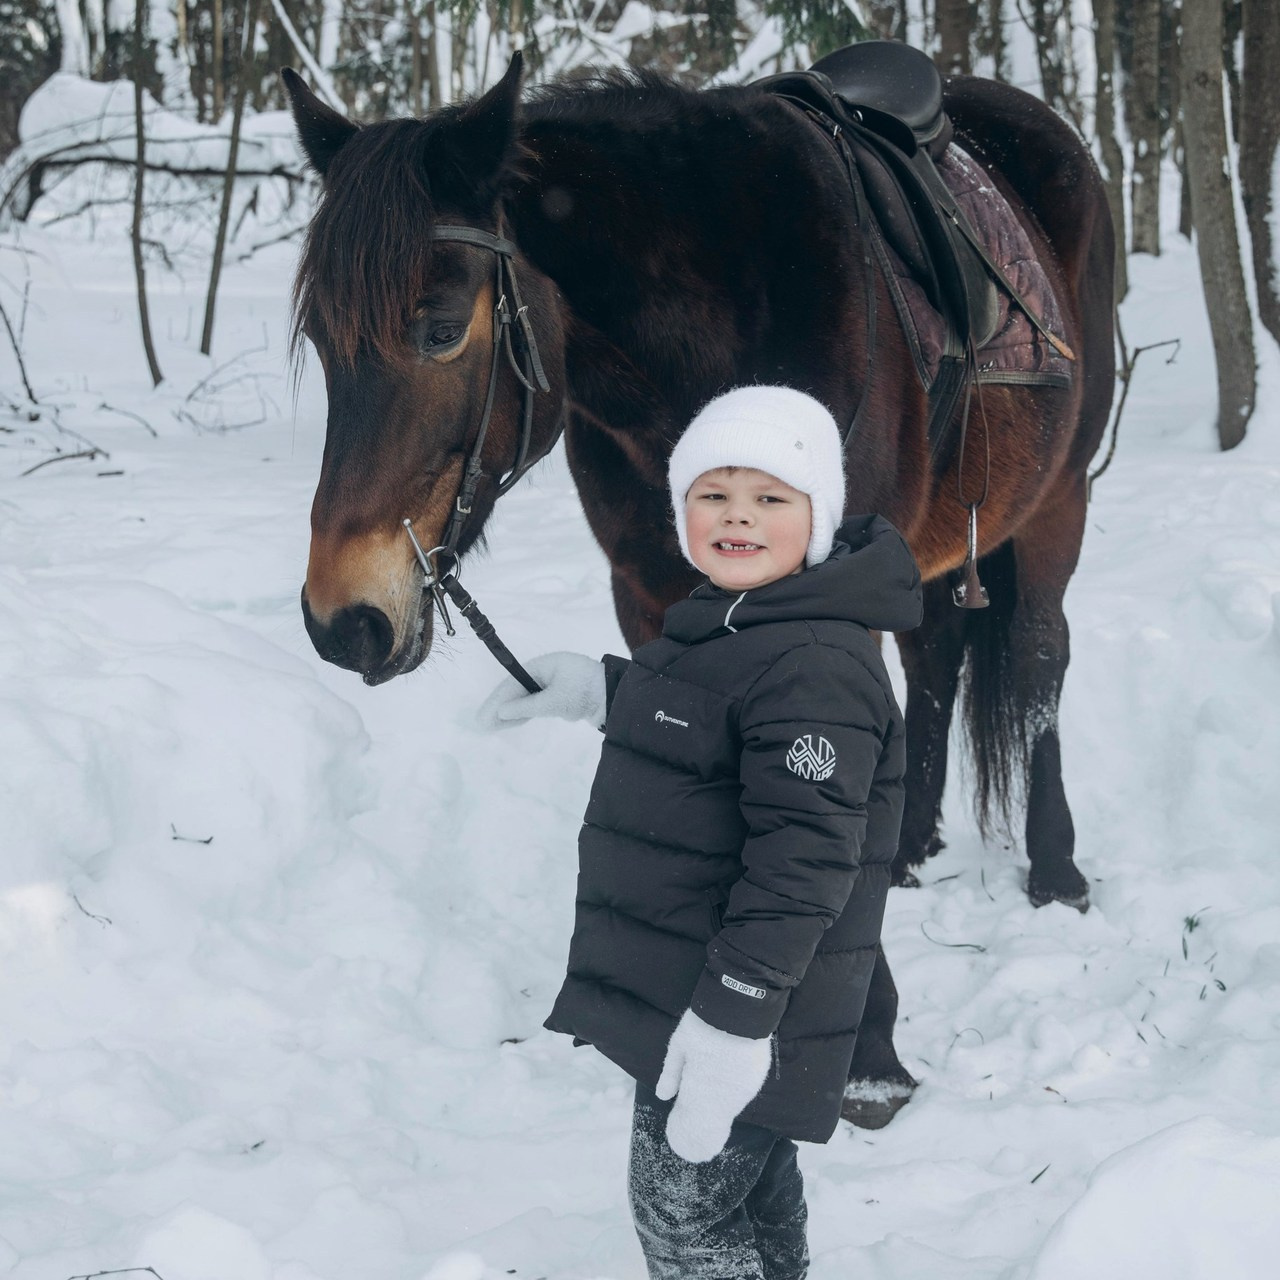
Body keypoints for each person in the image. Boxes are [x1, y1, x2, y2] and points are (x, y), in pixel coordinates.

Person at [478, 385, 923, 1279]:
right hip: (707, 990)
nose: (738, 519)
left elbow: (802, 868)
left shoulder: (815, 667)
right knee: (751, 1192)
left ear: (819, 517)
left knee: (683, 1217)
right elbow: (716, 726)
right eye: (713, 495)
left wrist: (732, 1026)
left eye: (770, 499)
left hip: (740, 1012)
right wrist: (601, 689)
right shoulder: (744, 622)